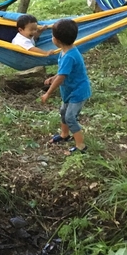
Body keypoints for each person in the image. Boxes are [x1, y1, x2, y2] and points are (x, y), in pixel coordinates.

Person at [40, 18, 91, 155]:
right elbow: (63, 72)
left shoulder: (69, 56)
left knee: (70, 117)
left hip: (78, 92)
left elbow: (62, 77)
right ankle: (64, 135)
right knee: (63, 111)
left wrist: (48, 93)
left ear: (57, 40)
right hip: (69, 90)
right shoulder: (65, 51)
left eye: (52, 36)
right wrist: (53, 77)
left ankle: (81, 146)